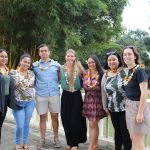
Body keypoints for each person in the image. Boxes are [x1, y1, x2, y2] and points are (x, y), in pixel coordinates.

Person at [32, 44, 61, 148]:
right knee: (42, 117)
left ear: (49, 52)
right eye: (41, 51)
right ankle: (42, 139)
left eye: (45, 50)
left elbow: (59, 78)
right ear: (39, 53)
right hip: (41, 95)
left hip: (54, 94)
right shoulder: (34, 66)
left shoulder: (56, 65)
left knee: (55, 116)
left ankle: (56, 138)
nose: (44, 52)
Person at [101, 51, 131, 150]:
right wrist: (105, 107)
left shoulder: (126, 71)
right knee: (117, 131)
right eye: (109, 60)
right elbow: (103, 92)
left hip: (125, 108)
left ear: (119, 60)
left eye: (114, 59)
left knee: (125, 132)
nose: (111, 62)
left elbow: (132, 88)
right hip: (112, 108)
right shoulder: (105, 75)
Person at [122, 46, 150, 150]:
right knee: (133, 138)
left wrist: (140, 113)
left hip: (137, 107)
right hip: (129, 106)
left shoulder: (139, 71)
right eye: (124, 54)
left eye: (129, 54)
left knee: (138, 141)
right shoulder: (129, 71)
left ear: (135, 56)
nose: (126, 56)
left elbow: (144, 93)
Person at [60, 49, 87, 150]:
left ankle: (75, 143)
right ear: (65, 57)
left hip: (76, 96)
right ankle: (69, 142)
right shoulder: (61, 68)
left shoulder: (79, 67)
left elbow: (87, 79)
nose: (70, 58)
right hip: (65, 95)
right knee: (65, 119)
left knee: (75, 120)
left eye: (72, 56)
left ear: (75, 57)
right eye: (68, 56)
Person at [9, 53, 35, 150]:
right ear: (20, 61)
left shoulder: (32, 73)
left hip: (30, 102)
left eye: (28, 63)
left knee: (26, 123)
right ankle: (17, 142)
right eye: (24, 61)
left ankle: (25, 142)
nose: (26, 64)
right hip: (18, 104)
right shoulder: (12, 73)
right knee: (20, 125)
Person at [82, 54, 107, 150]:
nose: (91, 64)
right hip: (88, 102)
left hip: (98, 102)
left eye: (93, 62)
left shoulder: (103, 73)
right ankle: (95, 145)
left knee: (93, 124)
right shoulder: (85, 73)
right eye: (89, 62)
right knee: (92, 124)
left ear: (97, 62)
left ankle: (90, 147)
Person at [0, 49, 21, 144]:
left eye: (5, 56)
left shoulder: (7, 69)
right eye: (1, 56)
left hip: (5, 100)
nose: (4, 58)